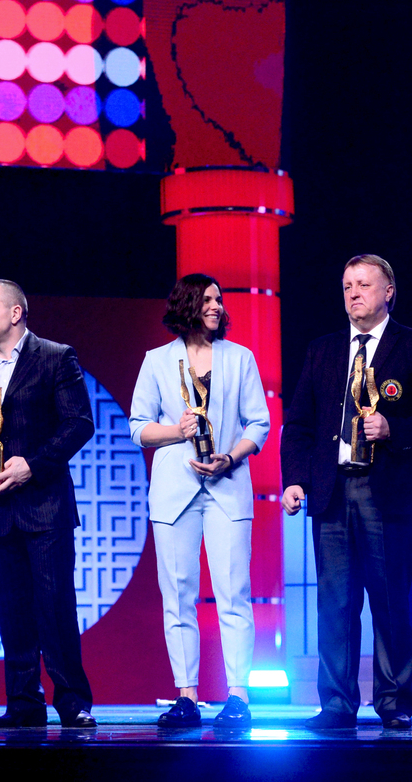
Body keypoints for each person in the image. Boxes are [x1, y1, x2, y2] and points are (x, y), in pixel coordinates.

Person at [280, 254, 412, 730]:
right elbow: (299, 424)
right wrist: (295, 479)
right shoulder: (322, 350)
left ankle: (394, 703)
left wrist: (393, 428)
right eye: (347, 286)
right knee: (335, 603)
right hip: (331, 491)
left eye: (363, 284)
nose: (353, 293)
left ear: (388, 292)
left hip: (388, 491)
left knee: (390, 599)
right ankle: (337, 705)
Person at [0, 279, 97, 729]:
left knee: (55, 606)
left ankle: (72, 701)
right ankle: (24, 702)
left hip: (44, 505)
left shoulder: (56, 357)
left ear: (15, 313)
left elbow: (79, 423)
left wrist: (33, 466)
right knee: (11, 611)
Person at [129, 273, 271, 729]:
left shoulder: (240, 358)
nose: (216, 306)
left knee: (234, 593)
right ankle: (186, 696)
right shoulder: (156, 361)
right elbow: (138, 427)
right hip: (175, 492)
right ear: (187, 304)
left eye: (219, 300)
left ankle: (238, 695)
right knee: (178, 596)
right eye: (208, 299)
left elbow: (259, 423)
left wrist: (231, 457)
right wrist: (177, 431)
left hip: (227, 487)